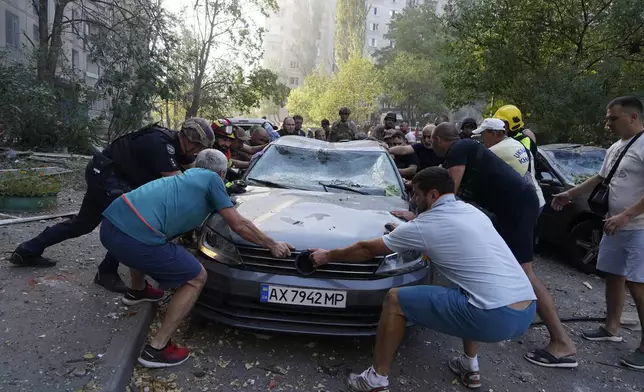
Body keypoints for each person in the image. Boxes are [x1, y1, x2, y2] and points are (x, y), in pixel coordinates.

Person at [310, 167, 537, 391]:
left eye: (416, 194)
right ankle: (470, 366)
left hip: (494, 316)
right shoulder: (471, 212)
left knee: (395, 299)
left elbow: (366, 249)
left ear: (433, 195)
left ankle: (375, 380)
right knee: (466, 288)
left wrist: (328, 255)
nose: (413, 200)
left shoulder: (426, 224)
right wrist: (408, 230)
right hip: (526, 308)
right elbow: (441, 237)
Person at [100, 149, 294, 368]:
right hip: (134, 240)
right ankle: (157, 349)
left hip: (110, 226)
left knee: (151, 235)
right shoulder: (213, 179)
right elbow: (238, 225)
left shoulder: (185, 178)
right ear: (221, 174)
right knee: (196, 277)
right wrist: (272, 244)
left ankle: (137, 290)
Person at [428, 123, 577, 368]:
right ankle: (509, 315)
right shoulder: (464, 150)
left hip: (516, 209)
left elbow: (447, 197)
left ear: (440, 140)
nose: (429, 144)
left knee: (525, 273)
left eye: (431, 140)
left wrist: (418, 221)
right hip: (514, 208)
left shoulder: (458, 149)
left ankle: (562, 342)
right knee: (506, 266)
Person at [9, 118, 214, 293]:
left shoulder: (175, 144)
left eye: (200, 149)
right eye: (196, 146)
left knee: (83, 223)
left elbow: (192, 169)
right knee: (128, 226)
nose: (197, 151)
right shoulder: (159, 143)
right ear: (186, 136)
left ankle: (27, 250)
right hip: (107, 177)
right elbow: (179, 183)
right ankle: (106, 273)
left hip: (108, 174)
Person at [552, 96, 644, 370]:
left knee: (638, 285)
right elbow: (599, 179)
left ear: (633, 118)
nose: (608, 123)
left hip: (639, 227)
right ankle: (611, 328)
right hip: (614, 224)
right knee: (614, 276)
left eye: (613, 118)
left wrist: (627, 214)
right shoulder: (617, 147)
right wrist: (569, 194)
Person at [473, 118, 545, 213]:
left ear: (493, 133)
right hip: (537, 199)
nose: (482, 138)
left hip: (523, 205)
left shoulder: (494, 151)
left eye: (483, 134)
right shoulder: (516, 143)